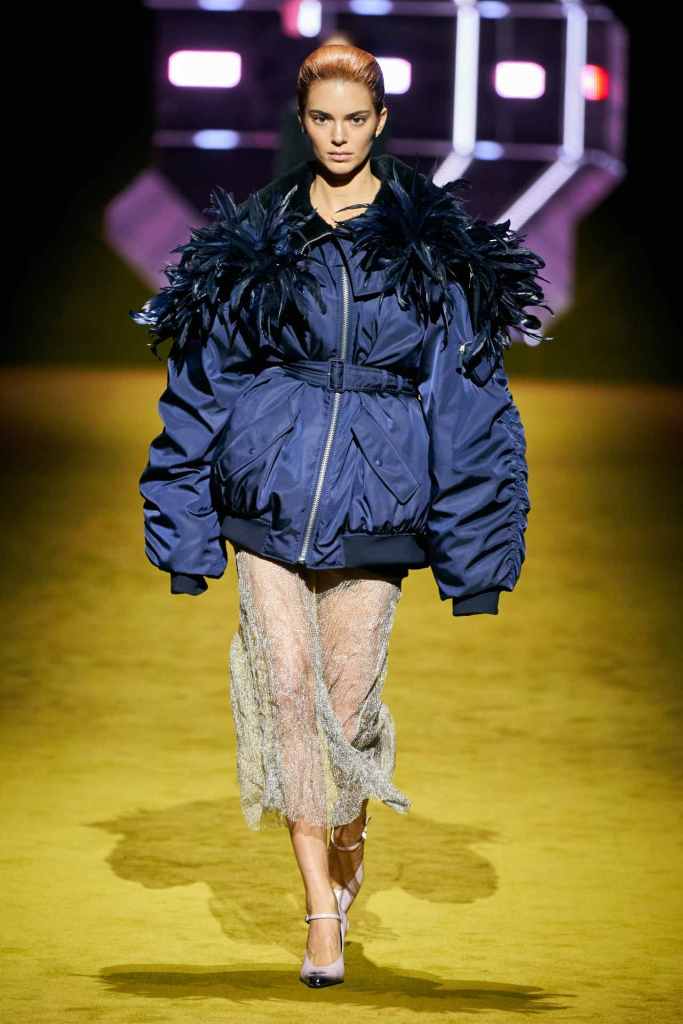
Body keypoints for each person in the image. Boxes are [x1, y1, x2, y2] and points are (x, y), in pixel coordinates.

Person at [130, 43, 552, 989]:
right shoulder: (258, 237)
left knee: (347, 710)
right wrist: (184, 528)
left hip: (378, 499)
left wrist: (476, 557)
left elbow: (469, 400)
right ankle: (320, 909)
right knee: (286, 688)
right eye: (321, 119)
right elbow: (200, 381)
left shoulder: (428, 244)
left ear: (380, 122)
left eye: (354, 119)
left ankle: (348, 829)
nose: (337, 136)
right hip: (266, 497)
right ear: (302, 121)